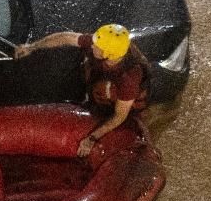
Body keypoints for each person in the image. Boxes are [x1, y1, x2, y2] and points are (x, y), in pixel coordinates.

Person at [14, 24, 150, 157]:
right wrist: (32, 47)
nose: (91, 45)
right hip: (106, 73)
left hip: (127, 96)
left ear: (108, 54)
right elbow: (66, 37)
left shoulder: (129, 78)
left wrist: (92, 139)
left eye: (96, 46)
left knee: (111, 100)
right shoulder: (105, 46)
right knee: (91, 75)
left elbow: (119, 116)